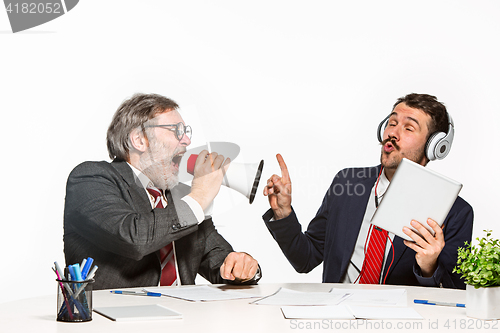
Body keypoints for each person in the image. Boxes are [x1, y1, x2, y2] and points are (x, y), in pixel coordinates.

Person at [263, 93, 473, 289]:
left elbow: (455, 295)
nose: (392, 133)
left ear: (434, 146)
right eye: (391, 123)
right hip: (337, 318)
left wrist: (429, 266)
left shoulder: (456, 212)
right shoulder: (347, 183)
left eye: (408, 128)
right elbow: (305, 259)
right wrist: (283, 212)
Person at [64, 93, 260, 290]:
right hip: (116, 316)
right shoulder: (91, 178)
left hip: (187, 316)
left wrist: (242, 267)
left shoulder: (182, 195)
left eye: (186, 132)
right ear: (139, 140)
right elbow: (135, 238)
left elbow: (218, 261)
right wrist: (199, 197)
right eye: (177, 131)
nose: (186, 141)